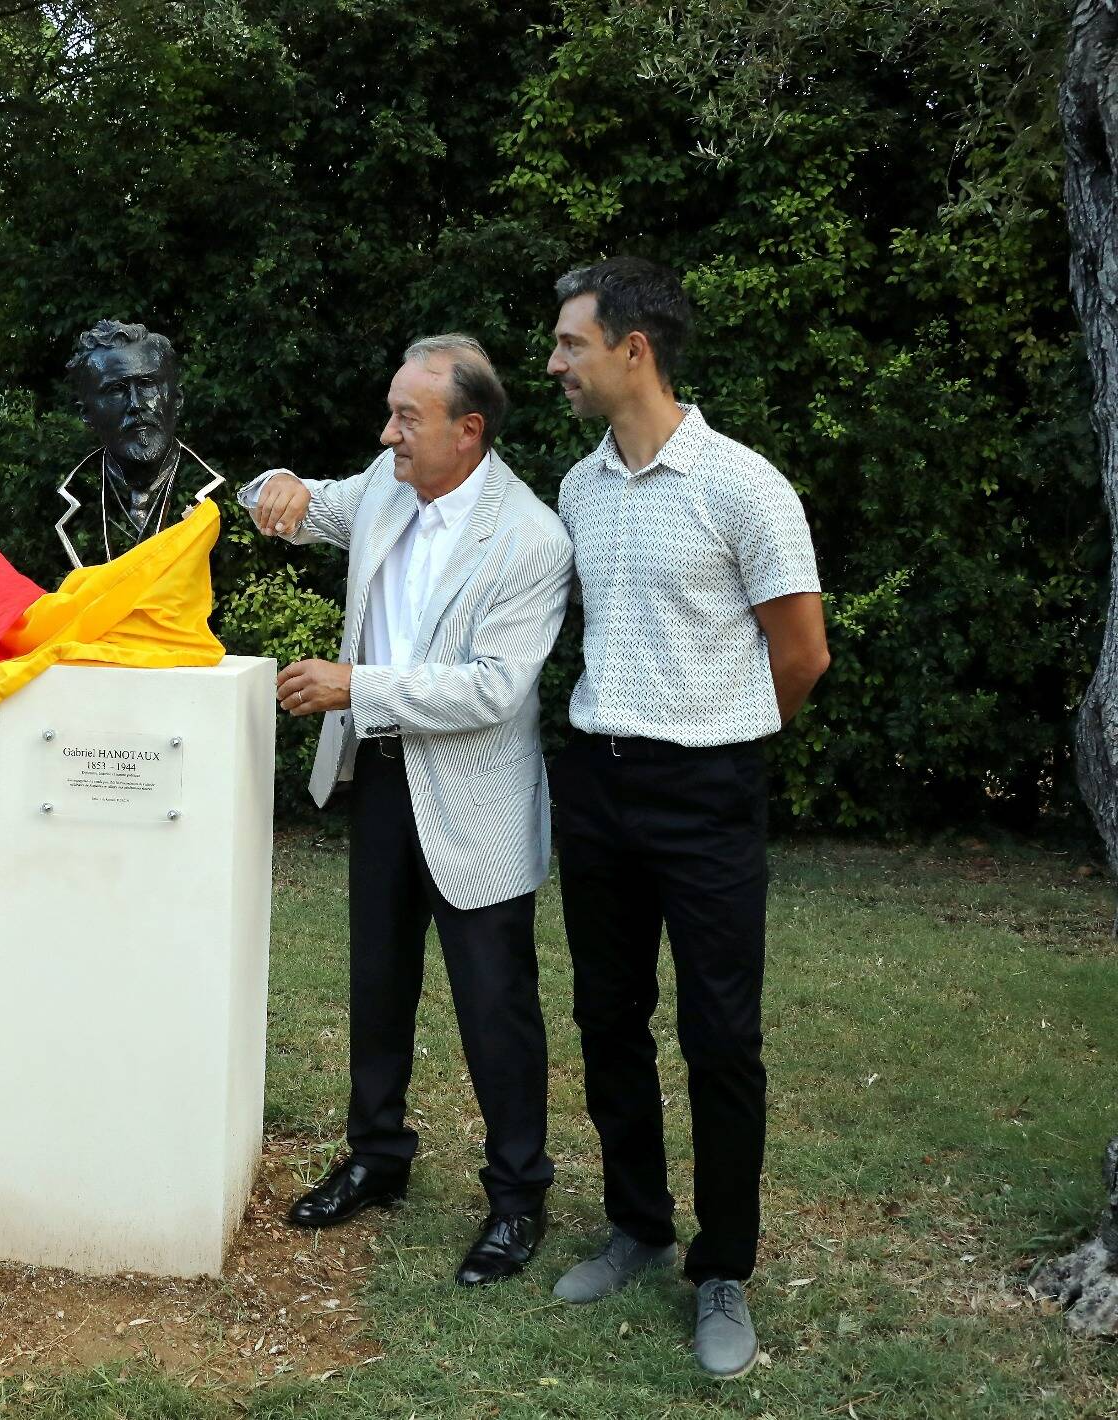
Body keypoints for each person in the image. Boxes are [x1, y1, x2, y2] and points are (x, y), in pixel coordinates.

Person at [543, 257, 828, 1379]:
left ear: (632, 349)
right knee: (607, 1014)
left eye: (569, 343)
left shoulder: (742, 485)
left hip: (706, 791)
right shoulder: (576, 487)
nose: (554, 363)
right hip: (596, 784)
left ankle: (722, 1265)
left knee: (720, 1036)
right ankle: (636, 1226)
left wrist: (721, 742)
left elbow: (799, 653)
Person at [242, 334, 574, 1286]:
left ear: (469, 431)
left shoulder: (531, 539)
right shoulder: (389, 485)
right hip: (380, 785)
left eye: (406, 418)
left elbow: (493, 691)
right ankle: (376, 1158)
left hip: (475, 800)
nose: (387, 433)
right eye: (390, 413)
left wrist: (359, 686)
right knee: (378, 983)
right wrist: (276, 485)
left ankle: (517, 1200)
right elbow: (309, 504)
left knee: (495, 1007)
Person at [55, 319, 224, 568]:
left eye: (147, 384)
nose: (135, 404)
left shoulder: (228, 496)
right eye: (116, 390)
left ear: (176, 399)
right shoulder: (56, 508)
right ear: (87, 414)